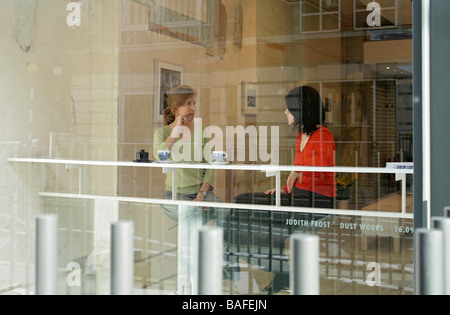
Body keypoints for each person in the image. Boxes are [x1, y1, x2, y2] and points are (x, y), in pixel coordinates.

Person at [227, 86, 337, 293]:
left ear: (300, 109)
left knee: (265, 219)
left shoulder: (323, 135)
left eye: (289, 109)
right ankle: (234, 257)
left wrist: (297, 175)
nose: (286, 112)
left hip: (318, 201)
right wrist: (284, 190)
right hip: (299, 196)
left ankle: (277, 271)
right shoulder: (301, 135)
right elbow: (297, 173)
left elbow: (321, 172)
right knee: (242, 200)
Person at [153, 85, 225, 224]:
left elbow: (209, 167)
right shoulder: (162, 134)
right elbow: (159, 156)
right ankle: (193, 245)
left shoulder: (202, 131)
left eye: (194, 103)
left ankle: (224, 246)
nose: (193, 108)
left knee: (226, 213)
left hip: (201, 192)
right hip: (174, 194)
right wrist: (176, 132)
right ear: (175, 109)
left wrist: (201, 195)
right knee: (192, 215)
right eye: (188, 104)